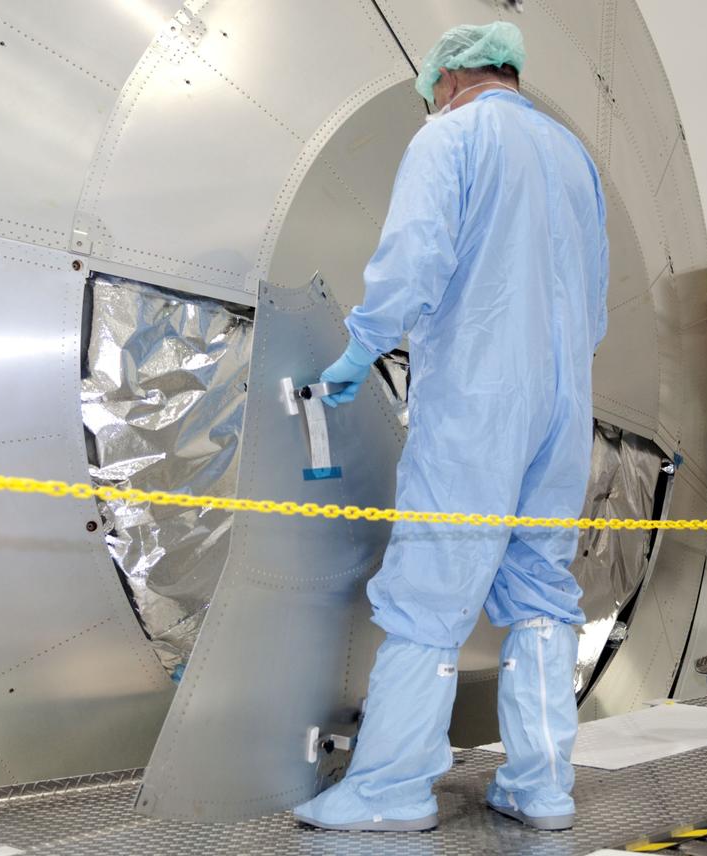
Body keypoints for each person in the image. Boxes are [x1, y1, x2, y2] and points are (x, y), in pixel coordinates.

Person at [291, 21, 609, 832]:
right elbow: (596, 297)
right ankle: (542, 788)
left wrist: (361, 348)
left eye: (429, 90)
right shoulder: (572, 154)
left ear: (451, 79)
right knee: (541, 590)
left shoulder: (451, 138)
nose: (429, 101)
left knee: (431, 588)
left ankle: (392, 788)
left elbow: (413, 258)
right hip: (565, 404)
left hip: (478, 401)